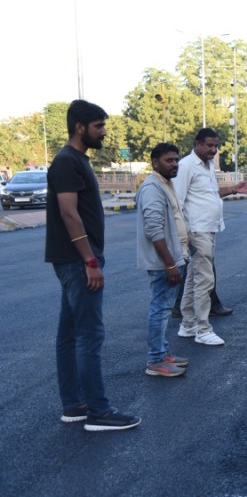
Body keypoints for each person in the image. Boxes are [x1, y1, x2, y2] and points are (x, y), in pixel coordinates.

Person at [45, 99, 141, 431]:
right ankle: (98, 412)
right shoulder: (67, 162)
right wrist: (89, 259)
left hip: (74, 260)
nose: (103, 132)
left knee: (70, 335)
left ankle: (74, 405)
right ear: (79, 127)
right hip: (77, 261)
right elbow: (69, 213)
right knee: (89, 336)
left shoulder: (74, 161)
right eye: (99, 126)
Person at [172, 128, 247, 345]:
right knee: (205, 280)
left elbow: (209, 193)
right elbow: (177, 203)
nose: (213, 150)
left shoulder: (207, 166)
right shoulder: (186, 166)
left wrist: (233, 189)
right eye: (209, 145)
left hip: (208, 228)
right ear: (197, 144)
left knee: (193, 278)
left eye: (215, 146)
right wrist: (185, 234)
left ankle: (188, 325)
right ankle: (203, 328)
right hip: (196, 230)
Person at [135, 143, 190, 378]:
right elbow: (154, 230)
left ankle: (163, 352)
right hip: (163, 263)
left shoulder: (164, 184)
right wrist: (169, 264)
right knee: (160, 309)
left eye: (176, 160)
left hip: (174, 257)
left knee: (164, 309)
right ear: (155, 162)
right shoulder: (152, 188)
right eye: (169, 160)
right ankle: (155, 360)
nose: (175, 164)